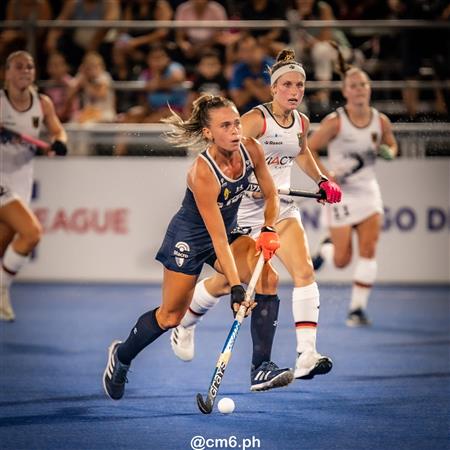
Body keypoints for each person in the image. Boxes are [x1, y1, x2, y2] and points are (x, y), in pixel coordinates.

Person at [103, 94, 294, 400]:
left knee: (269, 279)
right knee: (170, 317)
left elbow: (271, 195)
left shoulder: (252, 149)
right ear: (208, 133)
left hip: (227, 230)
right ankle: (122, 357)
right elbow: (215, 238)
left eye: (236, 123)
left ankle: (261, 367)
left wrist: (269, 228)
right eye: (225, 126)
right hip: (191, 238)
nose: (235, 131)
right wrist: (235, 287)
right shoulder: (202, 172)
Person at [171, 49, 342, 380]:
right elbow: (227, 152)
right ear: (274, 88)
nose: (295, 91)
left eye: (300, 86)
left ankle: (306, 354)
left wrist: (321, 180)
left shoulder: (302, 122)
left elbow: (301, 151)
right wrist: (241, 183)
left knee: (305, 271)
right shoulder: (254, 120)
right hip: (241, 215)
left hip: (280, 209)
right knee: (225, 284)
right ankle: (187, 321)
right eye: (288, 85)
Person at [308, 45, 398, 326]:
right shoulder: (336, 123)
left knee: (370, 249)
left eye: (363, 85)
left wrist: (390, 152)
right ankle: (326, 248)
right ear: (345, 92)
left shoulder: (380, 120)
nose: (359, 90)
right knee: (342, 261)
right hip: (342, 196)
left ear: (369, 89)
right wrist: (326, 177)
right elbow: (308, 149)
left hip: (368, 191)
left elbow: (391, 143)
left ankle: (356, 310)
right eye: (353, 86)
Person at [0, 50, 68, 321]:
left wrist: (60, 142)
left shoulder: (42, 103)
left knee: (3, 247)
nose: (25, 71)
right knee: (32, 233)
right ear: (7, 73)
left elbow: (57, 130)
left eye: (29, 67)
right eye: (19, 67)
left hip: (21, 181)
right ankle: (2, 289)